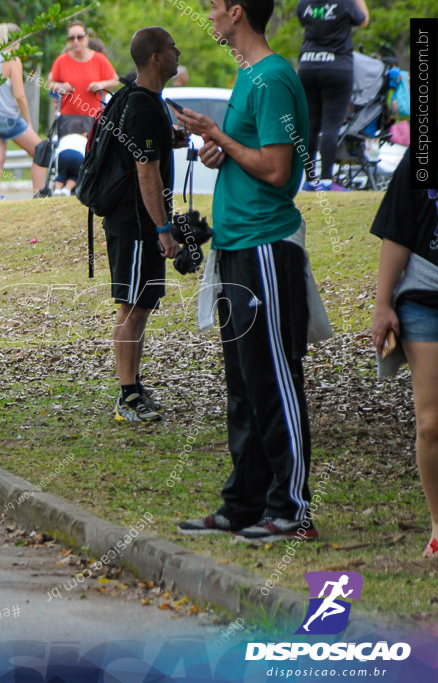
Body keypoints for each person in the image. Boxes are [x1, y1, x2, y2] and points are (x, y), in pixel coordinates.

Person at [175, 0, 318, 542]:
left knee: (274, 378)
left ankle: (292, 508)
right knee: (243, 384)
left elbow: (279, 169)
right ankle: (243, 504)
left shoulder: (275, 78)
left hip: (265, 245)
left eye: (213, 7)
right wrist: (221, 150)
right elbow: (250, 154)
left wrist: (222, 136)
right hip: (234, 245)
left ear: (237, 12)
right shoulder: (248, 76)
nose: (208, 15)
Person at [99, 28, 182, 423]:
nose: (177, 53)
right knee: (131, 307)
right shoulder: (144, 106)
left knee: (141, 306)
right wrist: (162, 229)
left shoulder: (144, 102)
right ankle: (126, 395)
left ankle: (133, 385)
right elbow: (146, 174)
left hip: (138, 222)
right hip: (134, 224)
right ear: (155, 57)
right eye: (171, 48)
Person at [370, 155, 438, 558]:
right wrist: (382, 304)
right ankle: (437, 524)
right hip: (423, 302)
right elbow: (397, 232)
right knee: (431, 423)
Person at [296, 0, 369, 192]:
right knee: (331, 125)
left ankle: (310, 179)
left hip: (308, 64)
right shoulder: (344, 2)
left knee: (310, 125)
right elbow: (363, 21)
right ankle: (327, 179)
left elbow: (305, 21)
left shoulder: (304, 3)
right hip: (337, 66)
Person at [0, 23, 45, 199]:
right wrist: (28, 120)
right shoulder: (13, 59)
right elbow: (20, 96)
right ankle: (39, 196)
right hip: (7, 118)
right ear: (16, 41)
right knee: (41, 151)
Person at [48, 21, 119, 122]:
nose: (76, 41)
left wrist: (101, 85)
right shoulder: (61, 60)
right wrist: (60, 87)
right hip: (68, 117)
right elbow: (50, 83)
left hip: (94, 117)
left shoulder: (99, 59)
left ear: (87, 37)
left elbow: (115, 80)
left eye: (80, 37)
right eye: (72, 38)